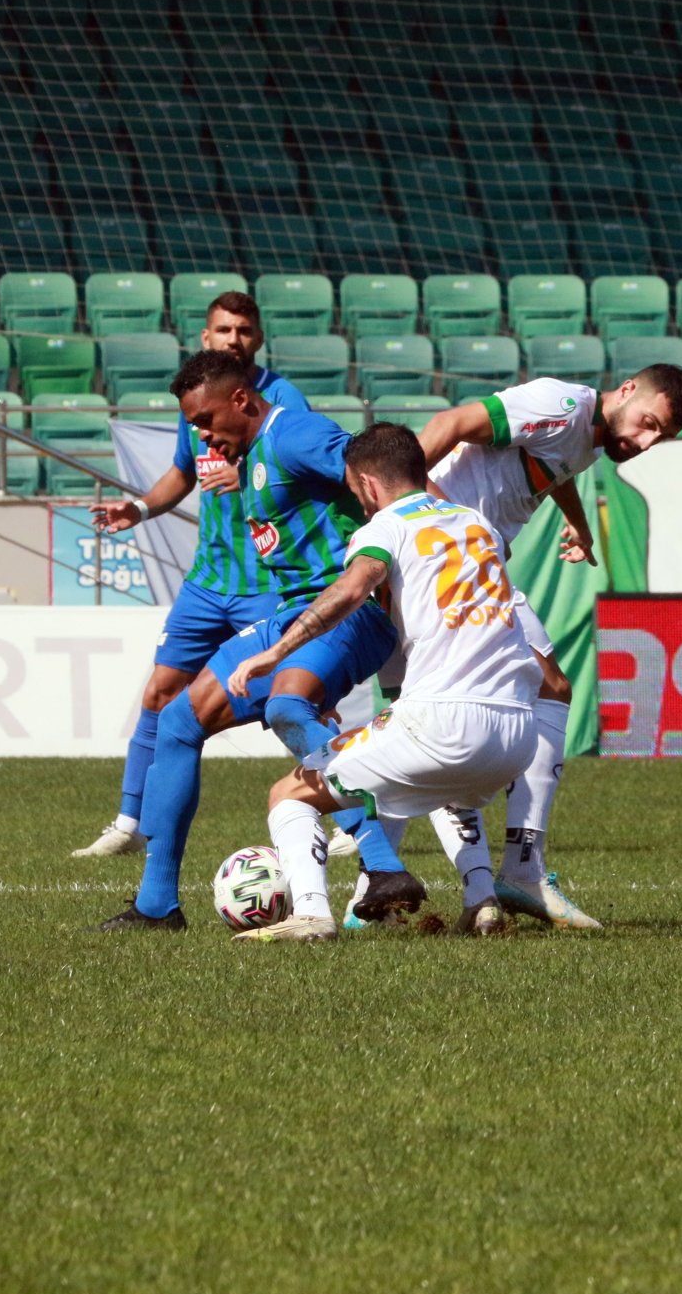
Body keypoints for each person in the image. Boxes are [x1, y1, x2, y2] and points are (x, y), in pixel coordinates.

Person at [96, 353, 424, 932]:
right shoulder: (249, 457)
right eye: (192, 425)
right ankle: (156, 905)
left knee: (287, 705)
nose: (201, 435)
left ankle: (382, 865)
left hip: (348, 612)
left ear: (241, 400)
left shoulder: (294, 434)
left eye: (205, 420)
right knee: (178, 722)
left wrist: (437, 534)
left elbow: (381, 475)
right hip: (293, 616)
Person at [392, 361, 682, 930]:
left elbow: (555, 466)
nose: (645, 442)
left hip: (453, 565)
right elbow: (451, 423)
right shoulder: (561, 405)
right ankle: (519, 870)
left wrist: (577, 522)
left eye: (660, 438)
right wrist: (436, 519)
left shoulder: (589, 433)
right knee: (546, 688)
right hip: (452, 566)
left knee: (432, 715)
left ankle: (407, 882)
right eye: (649, 423)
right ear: (627, 390)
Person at [225, 422, 542, 942]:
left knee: (289, 793)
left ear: (368, 485)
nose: (360, 502)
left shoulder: (383, 527)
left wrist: (276, 653)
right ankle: (481, 900)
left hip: (444, 722)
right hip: (517, 734)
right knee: (444, 783)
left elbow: (351, 590)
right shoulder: (476, 523)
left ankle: (312, 915)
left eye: (356, 491)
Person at [71, 290, 308, 858]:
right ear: (206, 337)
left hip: (267, 581)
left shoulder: (283, 399)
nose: (234, 339)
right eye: (224, 330)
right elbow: (182, 472)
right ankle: (129, 824)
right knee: (159, 691)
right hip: (207, 583)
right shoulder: (200, 399)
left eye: (244, 330)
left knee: (293, 699)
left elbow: (304, 468)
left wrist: (248, 470)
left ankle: (350, 815)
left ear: (259, 337)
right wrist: (139, 509)